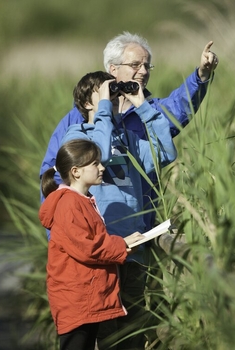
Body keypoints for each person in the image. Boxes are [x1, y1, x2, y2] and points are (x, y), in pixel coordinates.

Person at [40, 31, 219, 233]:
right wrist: (59, 234)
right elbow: (56, 175)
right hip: (93, 234)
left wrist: (201, 76)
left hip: (135, 230)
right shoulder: (76, 123)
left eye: (147, 66)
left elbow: (179, 108)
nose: (143, 71)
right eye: (135, 65)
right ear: (112, 69)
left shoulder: (147, 113)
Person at [59, 70, 177, 349]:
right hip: (101, 254)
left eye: (113, 93)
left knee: (130, 334)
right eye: (105, 93)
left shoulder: (126, 138)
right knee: (105, 334)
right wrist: (103, 108)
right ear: (89, 103)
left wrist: (142, 106)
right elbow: (97, 151)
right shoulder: (77, 136)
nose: (112, 98)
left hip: (133, 251)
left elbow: (166, 154)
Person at [39, 138, 145, 350]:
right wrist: (120, 245)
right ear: (76, 172)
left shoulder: (83, 200)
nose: (102, 167)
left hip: (84, 298)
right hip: (76, 299)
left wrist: (122, 244)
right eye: (95, 163)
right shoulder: (69, 204)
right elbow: (87, 247)